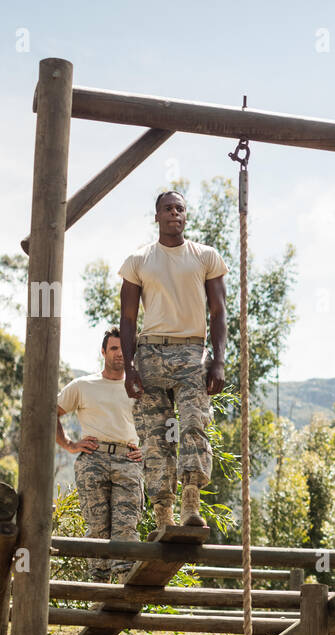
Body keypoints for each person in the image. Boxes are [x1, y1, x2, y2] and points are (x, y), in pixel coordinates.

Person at [118, 189, 227, 533]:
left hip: (192, 352)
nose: (174, 213)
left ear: (185, 216)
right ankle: (163, 511)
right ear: (157, 216)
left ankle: (191, 501)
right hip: (150, 353)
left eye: (179, 208)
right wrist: (130, 367)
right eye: (167, 208)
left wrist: (219, 360)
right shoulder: (138, 260)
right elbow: (128, 318)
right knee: (155, 436)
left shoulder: (206, 256)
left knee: (195, 424)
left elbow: (219, 311)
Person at [56, 329, 145, 583]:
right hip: (93, 460)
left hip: (128, 461)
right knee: (97, 528)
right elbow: (51, 411)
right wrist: (70, 444)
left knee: (126, 529)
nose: (119, 354)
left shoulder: (138, 386)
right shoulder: (83, 385)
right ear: (103, 352)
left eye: (123, 349)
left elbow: (158, 421)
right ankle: (99, 589)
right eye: (114, 348)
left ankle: (124, 589)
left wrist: (146, 450)